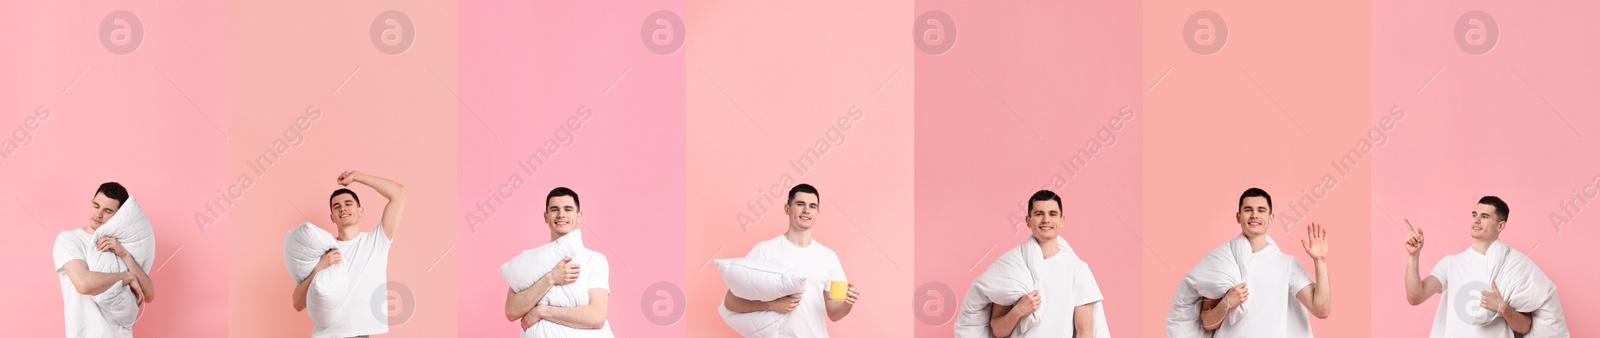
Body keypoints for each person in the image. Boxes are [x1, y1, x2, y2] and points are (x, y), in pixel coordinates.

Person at [1402, 196, 1568, 337]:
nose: (1476, 220)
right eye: (1474, 214)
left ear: (1500, 226)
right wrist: (1413, 256)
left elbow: (1525, 327)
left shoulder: (1513, 266)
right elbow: (1416, 297)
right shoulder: (1451, 263)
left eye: (1485, 216)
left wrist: (1503, 308)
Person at [723, 183, 860, 337]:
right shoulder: (764, 250)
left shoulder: (828, 257)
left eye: (812, 206)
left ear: (817, 213)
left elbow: (834, 312)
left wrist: (848, 303)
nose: (806, 210)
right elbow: (730, 301)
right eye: (800, 204)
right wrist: (771, 305)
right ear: (787, 209)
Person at [1192, 188, 1331, 337]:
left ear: (1271, 218)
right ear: (1238, 217)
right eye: (1248, 210)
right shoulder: (1222, 260)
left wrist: (1320, 261)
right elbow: (1207, 323)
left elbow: (1321, 309)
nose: (1254, 215)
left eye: (1261, 210)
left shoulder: (1287, 264)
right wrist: (1226, 302)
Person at [291, 171, 405, 338]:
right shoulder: (323, 251)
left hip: (359, 334)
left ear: (360, 210)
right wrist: (319, 268)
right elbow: (297, 303)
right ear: (332, 217)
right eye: (336, 206)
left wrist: (357, 177)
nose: (342, 208)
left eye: (348, 203)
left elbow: (399, 193)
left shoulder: (376, 241)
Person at [985, 190, 1103, 338]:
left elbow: (1084, 333)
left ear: (1062, 220)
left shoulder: (1078, 270)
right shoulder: (1011, 266)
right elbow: (998, 331)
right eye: (1039, 213)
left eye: (1052, 214)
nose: (1046, 219)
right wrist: (1018, 311)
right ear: (1028, 220)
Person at [503, 187, 613, 335]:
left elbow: (597, 316)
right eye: (555, 209)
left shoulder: (594, 260)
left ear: (579, 216)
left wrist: (543, 311)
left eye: (568, 209)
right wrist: (551, 278)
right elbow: (511, 311)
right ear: (546, 217)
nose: (561, 215)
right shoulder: (530, 260)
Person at [54, 182, 155, 338]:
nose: (98, 215)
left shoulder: (120, 246)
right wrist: (126, 277)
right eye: (96, 206)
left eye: (107, 211)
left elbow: (149, 295)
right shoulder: (69, 239)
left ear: (120, 216)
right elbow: (84, 284)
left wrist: (125, 255)